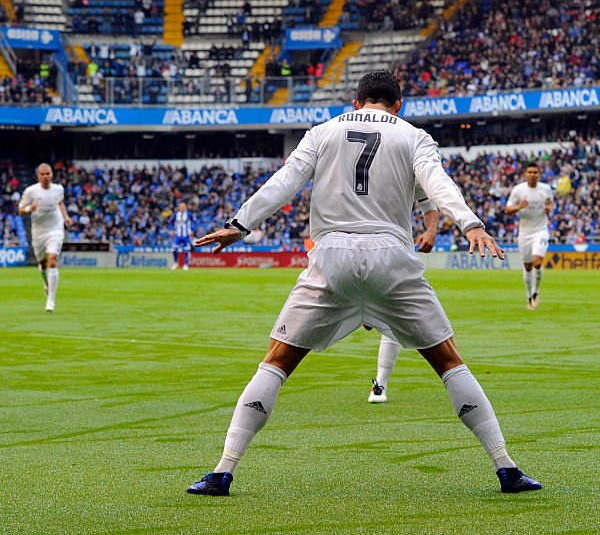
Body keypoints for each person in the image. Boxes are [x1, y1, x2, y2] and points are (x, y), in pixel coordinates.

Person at [186, 71, 541, 496]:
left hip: (331, 258)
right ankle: (506, 468)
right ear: (398, 105)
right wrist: (471, 224)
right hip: (391, 258)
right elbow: (437, 185)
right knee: (449, 361)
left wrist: (239, 225)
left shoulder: (322, 132)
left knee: (277, 361)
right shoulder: (413, 135)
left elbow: (285, 182)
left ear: (356, 103)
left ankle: (223, 471)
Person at [368, 188, 440, 404]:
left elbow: (429, 205)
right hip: (350, 252)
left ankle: (380, 384)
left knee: (393, 320)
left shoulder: (408, 164)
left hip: (395, 253)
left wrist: (431, 230)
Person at [17, 163, 72, 312]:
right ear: (38, 176)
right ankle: (47, 284)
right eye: (42, 174)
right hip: (38, 232)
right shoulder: (30, 191)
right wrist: (30, 208)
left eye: (48, 173)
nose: (45, 176)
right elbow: (20, 210)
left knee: (52, 260)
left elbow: (60, 202)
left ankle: (51, 302)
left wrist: (66, 216)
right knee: (42, 264)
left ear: (52, 174)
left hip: (55, 228)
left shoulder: (58, 189)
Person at [505, 161, 554, 310]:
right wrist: (519, 207)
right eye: (530, 172)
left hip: (541, 230)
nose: (532, 175)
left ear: (539, 174)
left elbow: (551, 202)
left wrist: (549, 208)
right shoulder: (518, 190)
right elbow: (507, 209)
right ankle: (528, 296)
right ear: (526, 174)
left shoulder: (545, 189)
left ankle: (535, 292)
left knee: (537, 262)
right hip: (524, 234)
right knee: (527, 266)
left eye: (535, 172)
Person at [171, 201, 193, 270]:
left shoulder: (189, 214)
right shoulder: (176, 214)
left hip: (186, 235)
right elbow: (170, 221)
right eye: (181, 207)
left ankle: (186, 264)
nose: (182, 208)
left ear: (185, 207)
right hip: (177, 235)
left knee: (186, 249)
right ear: (179, 208)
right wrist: (172, 229)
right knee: (174, 248)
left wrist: (192, 230)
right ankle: (176, 263)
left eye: (183, 207)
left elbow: (194, 221)